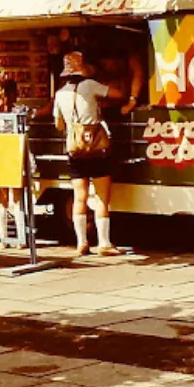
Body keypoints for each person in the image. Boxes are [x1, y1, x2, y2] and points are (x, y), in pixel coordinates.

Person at [53, 51, 125, 256]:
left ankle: (81, 242)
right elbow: (118, 95)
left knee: (79, 197)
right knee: (102, 198)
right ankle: (104, 243)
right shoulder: (90, 86)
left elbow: (59, 125)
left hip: (74, 150)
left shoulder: (59, 94)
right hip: (96, 148)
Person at [0, 76, 28, 248]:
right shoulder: (20, 111)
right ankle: (21, 239)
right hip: (15, 159)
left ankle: (4, 238)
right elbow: (39, 113)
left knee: (1, 202)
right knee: (17, 201)